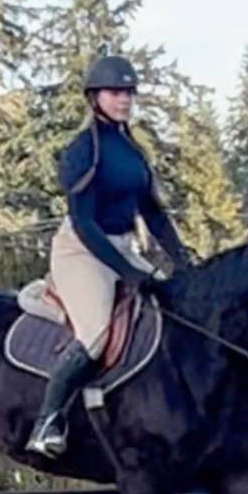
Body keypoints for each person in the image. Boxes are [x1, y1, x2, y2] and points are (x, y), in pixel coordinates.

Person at [25, 54, 190, 458]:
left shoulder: (131, 150)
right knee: (96, 332)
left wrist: (184, 265)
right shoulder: (83, 151)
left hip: (123, 245)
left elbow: (152, 213)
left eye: (129, 93)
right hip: (83, 248)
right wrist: (128, 272)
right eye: (116, 93)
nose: (124, 100)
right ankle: (48, 421)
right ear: (94, 97)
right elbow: (83, 222)